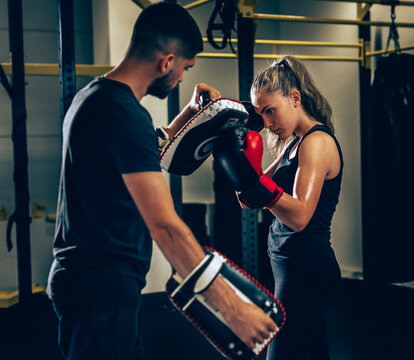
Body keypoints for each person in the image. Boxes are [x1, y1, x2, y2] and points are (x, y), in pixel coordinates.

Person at [47, 2, 276, 359]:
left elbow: (140, 152)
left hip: (89, 283)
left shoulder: (91, 98)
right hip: (102, 288)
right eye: (184, 68)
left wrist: (190, 113)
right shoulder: (124, 114)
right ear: (167, 61)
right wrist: (232, 307)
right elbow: (165, 226)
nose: (183, 77)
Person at [214, 55, 343, 360]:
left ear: (295, 98)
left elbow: (299, 216)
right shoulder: (292, 144)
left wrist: (258, 185)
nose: (267, 122)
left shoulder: (317, 142)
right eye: (261, 114)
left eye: (270, 111)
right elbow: (246, 199)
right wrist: (239, 166)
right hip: (289, 269)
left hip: (306, 273)